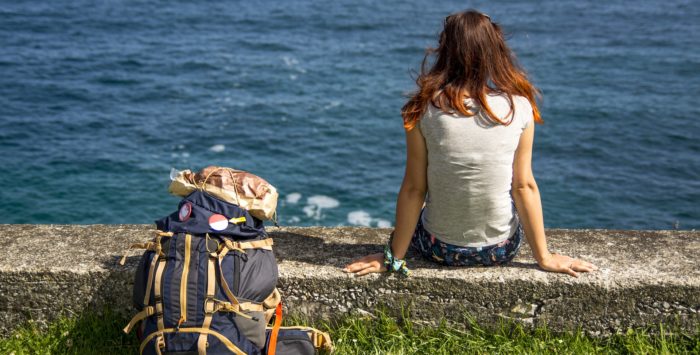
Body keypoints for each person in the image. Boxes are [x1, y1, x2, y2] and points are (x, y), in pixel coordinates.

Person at [344, 10, 596, 277]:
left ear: (445, 50)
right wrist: (544, 257)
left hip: (439, 249)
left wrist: (393, 257)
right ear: (495, 51)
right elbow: (523, 186)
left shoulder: (421, 109)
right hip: (499, 250)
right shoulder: (520, 108)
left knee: (424, 214)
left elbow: (415, 189)